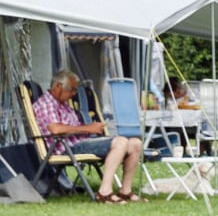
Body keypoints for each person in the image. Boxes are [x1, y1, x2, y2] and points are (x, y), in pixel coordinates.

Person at [30, 71, 147, 204]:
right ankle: (104, 192)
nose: (74, 94)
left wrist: (92, 128)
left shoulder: (62, 104)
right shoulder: (46, 103)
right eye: (71, 89)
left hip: (79, 143)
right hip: (66, 148)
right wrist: (87, 128)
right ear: (58, 86)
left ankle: (125, 191)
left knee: (135, 143)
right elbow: (55, 129)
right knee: (120, 142)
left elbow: (71, 127)